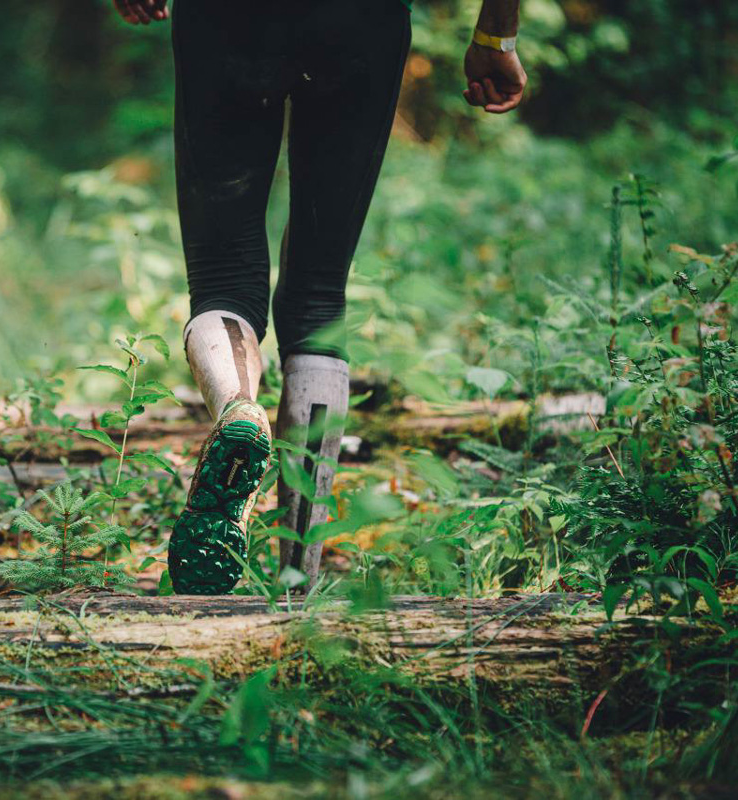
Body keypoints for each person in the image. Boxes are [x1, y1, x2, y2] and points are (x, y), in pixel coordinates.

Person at [111, 0, 527, 594]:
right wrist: (496, 34)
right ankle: (297, 579)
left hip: (226, 20)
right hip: (363, 21)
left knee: (224, 276)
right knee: (318, 296)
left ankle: (238, 412)